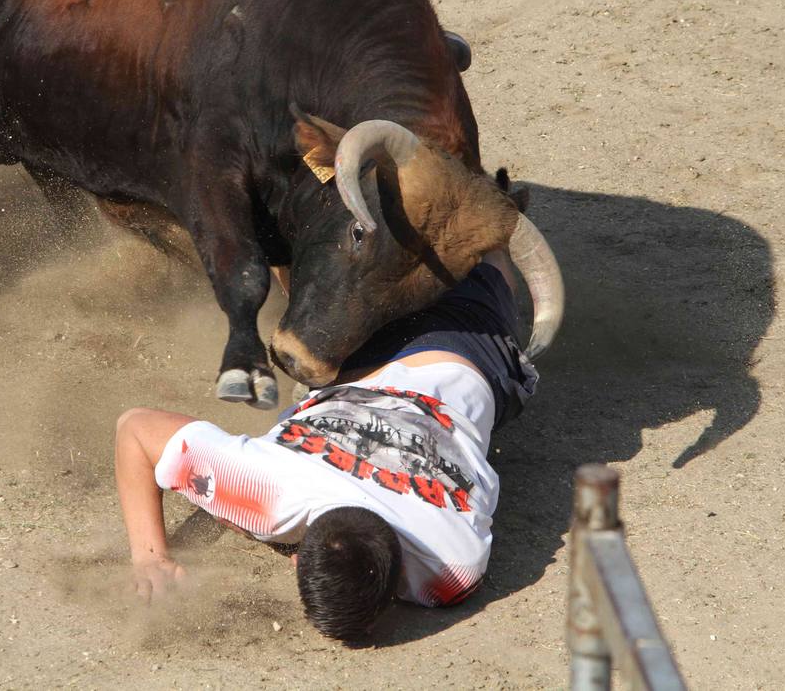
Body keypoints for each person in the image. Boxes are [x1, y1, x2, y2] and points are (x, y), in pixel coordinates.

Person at [114, 248, 539, 643]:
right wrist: (150, 555)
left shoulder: (452, 569)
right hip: (366, 351)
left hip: (450, 357)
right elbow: (134, 429)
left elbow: (133, 425)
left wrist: (152, 557)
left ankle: (496, 248)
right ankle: (495, 241)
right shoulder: (266, 494)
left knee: (491, 277)